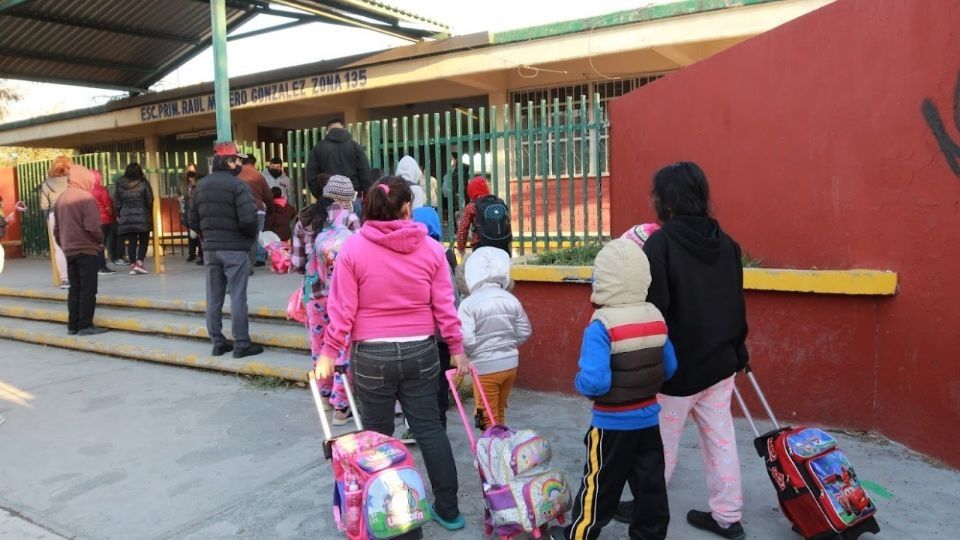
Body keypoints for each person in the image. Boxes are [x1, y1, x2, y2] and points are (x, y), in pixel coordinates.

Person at [315, 176, 469, 531]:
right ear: (405, 208)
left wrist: (328, 353)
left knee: (378, 436)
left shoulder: (353, 249)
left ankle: (387, 516)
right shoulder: (431, 249)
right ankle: (448, 509)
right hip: (422, 351)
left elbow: (342, 310)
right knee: (430, 429)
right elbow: (445, 306)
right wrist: (457, 350)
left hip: (372, 356)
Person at [615, 162, 749, 540]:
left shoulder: (661, 243)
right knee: (721, 441)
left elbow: (655, 309)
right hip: (721, 364)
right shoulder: (726, 243)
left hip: (676, 370)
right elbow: (736, 303)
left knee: (658, 444)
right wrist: (739, 351)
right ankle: (728, 517)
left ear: (666, 200)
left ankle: (646, 507)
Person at [551, 238, 677, 540]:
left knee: (598, 483)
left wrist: (578, 382)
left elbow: (596, 382)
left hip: (611, 424)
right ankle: (650, 534)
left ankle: (579, 534)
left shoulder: (602, 325)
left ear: (602, 279)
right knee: (650, 485)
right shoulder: (656, 317)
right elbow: (670, 368)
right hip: (648, 420)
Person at [189, 141, 263, 359]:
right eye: (238, 159)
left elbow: (192, 219)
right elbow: (249, 219)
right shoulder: (238, 186)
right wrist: (247, 239)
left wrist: (209, 235)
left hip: (211, 249)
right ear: (230, 162)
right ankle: (241, 344)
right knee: (238, 296)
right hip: (234, 249)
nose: (240, 163)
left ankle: (218, 342)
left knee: (214, 297)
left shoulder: (201, 185)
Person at [299, 175, 361, 425]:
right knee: (342, 348)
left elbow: (296, 262)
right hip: (342, 294)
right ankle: (341, 406)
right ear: (347, 198)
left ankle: (324, 396)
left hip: (313, 294)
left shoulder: (305, 218)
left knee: (320, 346)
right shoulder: (350, 219)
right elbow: (360, 256)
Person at [457, 247, 531, 429]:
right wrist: (508, 345)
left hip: (485, 367)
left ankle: (491, 454)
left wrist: (472, 356)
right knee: (498, 411)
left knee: (486, 417)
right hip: (511, 364)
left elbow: (466, 339)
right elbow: (525, 330)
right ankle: (501, 447)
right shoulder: (510, 299)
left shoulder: (468, 304)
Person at [412, 206, 459, 429]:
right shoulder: (444, 253)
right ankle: (438, 423)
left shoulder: (410, 253)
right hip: (442, 336)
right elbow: (452, 298)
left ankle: (417, 424)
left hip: (419, 335)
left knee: (418, 385)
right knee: (440, 381)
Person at [53, 165, 109, 336]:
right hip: (86, 250)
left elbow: (56, 230)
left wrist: (65, 245)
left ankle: (73, 325)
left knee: (74, 288)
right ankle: (85, 325)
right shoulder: (86, 198)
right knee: (88, 288)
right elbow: (93, 226)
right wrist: (100, 241)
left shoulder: (61, 199)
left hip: (69, 251)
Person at [304, 118, 373, 211]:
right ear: (344, 128)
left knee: (330, 225)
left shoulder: (318, 148)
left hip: (328, 199)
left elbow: (311, 177)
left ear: (327, 131)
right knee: (354, 224)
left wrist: (321, 194)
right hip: (352, 198)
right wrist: (366, 194)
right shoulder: (355, 146)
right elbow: (365, 174)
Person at [39, 155, 73, 288]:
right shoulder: (71, 181)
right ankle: (76, 276)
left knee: (58, 248)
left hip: (54, 214)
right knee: (74, 245)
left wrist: (49, 217)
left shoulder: (46, 183)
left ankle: (65, 279)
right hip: (71, 213)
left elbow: (44, 205)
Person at [115, 163, 154, 275]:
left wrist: (119, 214)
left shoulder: (120, 183)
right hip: (142, 214)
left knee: (132, 240)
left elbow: (117, 201)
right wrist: (148, 212)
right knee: (144, 240)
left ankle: (132, 265)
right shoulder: (143, 182)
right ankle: (140, 263)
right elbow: (150, 199)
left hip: (126, 214)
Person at [237, 155, 274, 269]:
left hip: (240, 210)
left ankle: (241, 263)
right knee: (255, 237)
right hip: (258, 210)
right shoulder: (258, 175)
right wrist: (270, 209)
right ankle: (249, 265)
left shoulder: (236, 174)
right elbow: (268, 196)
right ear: (254, 163)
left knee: (240, 236)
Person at [89, 170, 116, 275]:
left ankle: (94, 266)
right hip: (103, 220)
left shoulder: (85, 189)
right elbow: (108, 206)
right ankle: (102, 267)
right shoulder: (101, 190)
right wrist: (112, 216)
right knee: (101, 244)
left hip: (90, 220)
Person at [178, 164, 203, 263]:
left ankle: (201, 254)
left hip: (198, 211)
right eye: (189, 171)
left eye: (193, 171)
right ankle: (191, 253)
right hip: (188, 210)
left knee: (200, 233)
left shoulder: (199, 182)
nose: (191, 174)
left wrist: (194, 184)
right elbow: (178, 193)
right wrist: (179, 198)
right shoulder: (182, 183)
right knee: (191, 234)